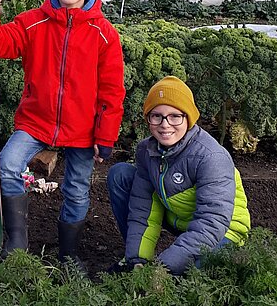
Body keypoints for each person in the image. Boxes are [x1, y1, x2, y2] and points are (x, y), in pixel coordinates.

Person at [0, 0, 125, 267]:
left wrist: (106, 137)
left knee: (77, 189)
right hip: (36, 121)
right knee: (8, 166)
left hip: (83, 129)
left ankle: (69, 254)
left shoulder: (104, 34)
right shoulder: (33, 22)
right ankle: (17, 241)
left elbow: (112, 91)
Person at [107, 76, 251, 275]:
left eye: (175, 116)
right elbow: (143, 207)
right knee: (120, 173)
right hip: (180, 218)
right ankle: (136, 258)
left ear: (188, 117)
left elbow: (211, 222)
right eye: (156, 116)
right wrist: (137, 260)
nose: (165, 124)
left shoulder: (210, 157)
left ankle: (219, 258)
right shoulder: (146, 151)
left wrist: (163, 267)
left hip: (222, 229)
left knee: (186, 279)